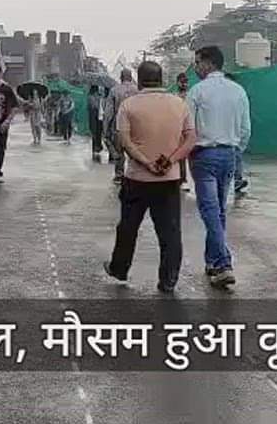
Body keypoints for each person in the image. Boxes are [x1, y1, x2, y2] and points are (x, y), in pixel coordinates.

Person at [103, 61, 195, 294]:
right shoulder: (179, 104)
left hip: (137, 179)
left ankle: (119, 269)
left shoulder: (128, 105)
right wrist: (170, 161)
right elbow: (191, 139)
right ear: (162, 79)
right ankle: (168, 280)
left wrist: (146, 162)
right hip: (169, 178)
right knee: (170, 232)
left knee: (128, 228)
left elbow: (124, 140)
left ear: (139, 80)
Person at [186, 46, 251, 289]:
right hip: (229, 154)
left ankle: (223, 263)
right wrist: (236, 151)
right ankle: (213, 261)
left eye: (197, 62)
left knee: (210, 210)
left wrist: (189, 153)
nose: (195, 67)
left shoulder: (197, 92)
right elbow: (245, 130)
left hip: (205, 155)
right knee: (219, 209)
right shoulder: (238, 91)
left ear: (208, 63)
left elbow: (188, 129)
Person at [104, 69, 140, 184]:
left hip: (118, 126)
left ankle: (119, 175)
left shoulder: (114, 90)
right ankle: (134, 174)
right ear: (130, 77)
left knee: (119, 152)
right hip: (135, 126)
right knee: (134, 151)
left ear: (121, 77)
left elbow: (108, 112)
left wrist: (106, 129)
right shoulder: (138, 91)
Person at [87, 84, 105, 162]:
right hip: (93, 117)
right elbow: (93, 106)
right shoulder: (90, 97)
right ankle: (95, 148)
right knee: (94, 132)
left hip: (98, 117)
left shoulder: (99, 97)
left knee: (98, 132)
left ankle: (97, 147)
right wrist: (98, 100)